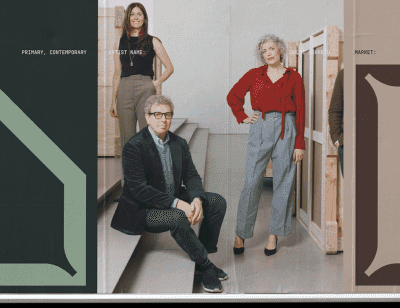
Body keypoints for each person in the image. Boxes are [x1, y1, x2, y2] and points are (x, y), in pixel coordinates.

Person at [110, 94, 229, 293]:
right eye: (157, 114)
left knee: (216, 201)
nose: (163, 119)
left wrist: (197, 199)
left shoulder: (178, 143)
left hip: (172, 197)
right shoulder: (134, 146)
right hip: (144, 209)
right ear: (147, 117)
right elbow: (140, 190)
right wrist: (180, 204)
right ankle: (206, 266)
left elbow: (191, 176)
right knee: (177, 216)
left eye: (167, 114)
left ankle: (202, 258)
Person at [226, 34, 305, 257]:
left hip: (286, 127)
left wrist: (299, 142)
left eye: (271, 49)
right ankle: (241, 233)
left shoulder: (294, 77)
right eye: (264, 51)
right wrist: (241, 116)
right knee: (251, 182)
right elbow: (233, 96)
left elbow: (301, 111)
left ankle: (274, 235)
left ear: (280, 50)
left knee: (284, 181)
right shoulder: (254, 75)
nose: (268, 53)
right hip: (259, 126)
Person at [108, 2, 175, 155]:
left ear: (144, 18)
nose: (135, 17)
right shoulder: (119, 42)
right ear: (128, 18)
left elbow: (170, 68)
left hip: (145, 88)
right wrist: (113, 99)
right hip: (124, 88)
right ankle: (129, 179)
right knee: (127, 140)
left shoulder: (153, 41)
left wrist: (154, 83)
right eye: (132, 14)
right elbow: (117, 72)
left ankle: (149, 178)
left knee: (147, 136)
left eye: (139, 14)